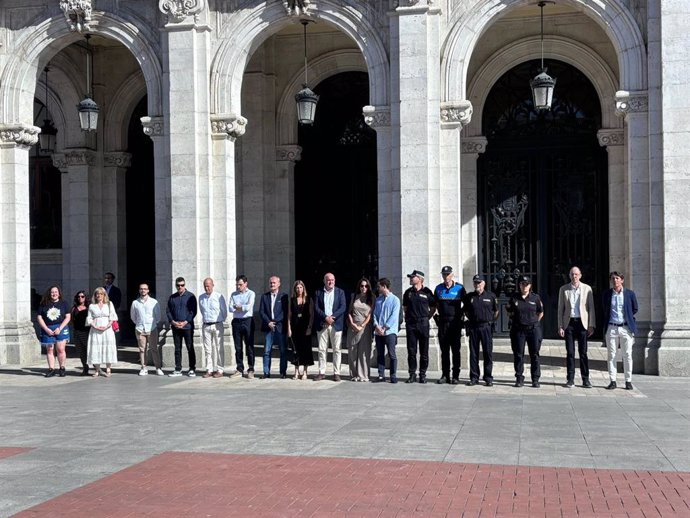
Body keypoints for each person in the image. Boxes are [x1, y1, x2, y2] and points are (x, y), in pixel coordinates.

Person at [557, 266, 596, 388]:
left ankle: (585, 379)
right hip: (569, 324)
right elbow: (560, 309)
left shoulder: (587, 289)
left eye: (576, 274)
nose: (574, 276)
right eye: (572, 274)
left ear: (580, 275)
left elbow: (591, 308)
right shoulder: (564, 289)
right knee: (570, 352)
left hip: (582, 323)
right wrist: (560, 326)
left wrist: (591, 325)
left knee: (583, 352)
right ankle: (570, 379)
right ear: (569, 276)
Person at [602, 271, 638, 390]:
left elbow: (634, 308)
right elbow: (604, 309)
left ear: (622, 280)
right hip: (612, 327)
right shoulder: (607, 294)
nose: (615, 281)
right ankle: (613, 380)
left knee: (627, 354)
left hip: (626, 328)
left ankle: (628, 381)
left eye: (617, 278)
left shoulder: (630, 294)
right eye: (613, 278)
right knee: (611, 355)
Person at [507, 275, 544, 388]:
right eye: (522, 284)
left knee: (535, 355)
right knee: (518, 354)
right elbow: (509, 312)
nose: (524, 286)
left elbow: (540, 312)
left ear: (530, 286)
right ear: (519, 285)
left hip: (533, 329)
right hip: (518, 330)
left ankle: (535, 379)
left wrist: (534, 322)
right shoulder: (514, 298)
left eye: (526, 284)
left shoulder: (535, 298)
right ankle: (519, 377)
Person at [463, 275, 498, 387]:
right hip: (474, 327)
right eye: (475, 283)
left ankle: (488, 377)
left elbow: (496, 311)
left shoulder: (491, 296)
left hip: (486, 327)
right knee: (474, 353)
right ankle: (474, 377)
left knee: (487, 353)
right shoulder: (469, 297)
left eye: (479, 282)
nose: (477, 285)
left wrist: (490, 321)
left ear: (484, 284)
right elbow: (466, 311)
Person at [402, 270, 436, 384]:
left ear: (420, 279)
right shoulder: (408, 293)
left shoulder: (427, 292)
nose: (411, 279)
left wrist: (427, 317)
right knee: (411, 351)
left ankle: (422, 374)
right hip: (411, 324)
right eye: (410, 277)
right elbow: (405, 308)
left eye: (413, 277)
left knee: (424, 351)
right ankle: (412, 374)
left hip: (423, 323)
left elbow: (433, 307)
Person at [433, 266, 465, 384]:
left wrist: (460, 315)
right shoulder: (438, 288)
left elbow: (465, 304)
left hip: (455, 323)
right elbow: (435, 303)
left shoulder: (459, 288)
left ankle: (456, 376)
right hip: (443, 323)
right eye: (444, 274)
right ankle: (445, 375)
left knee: (456, 351)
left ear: (452, 275)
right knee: (444, 350)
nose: (446, 277)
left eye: (448, 274)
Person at [313, 273, 347, 381]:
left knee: (337, 349)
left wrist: (333, 317)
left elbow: (343, 307)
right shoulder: (318, 292)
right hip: (323, 324)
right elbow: (316, 307)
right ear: (324, 281)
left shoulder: (340, 292)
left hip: (335, 325)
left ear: (335, 281)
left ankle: (336, 373)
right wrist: (325, 317)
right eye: (328, 280)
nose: (330, 282)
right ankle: (321, 372)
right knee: (322, 349)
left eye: (332, 280)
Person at [37, 285, 71, 378]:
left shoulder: (64, 303)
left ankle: (62, 368)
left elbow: (68, 317)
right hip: (47, 328)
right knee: (50, 349)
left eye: (56, 292)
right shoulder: (44, 304)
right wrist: (46, 329)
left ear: (59, 294)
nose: (54, 294)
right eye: (52, 292)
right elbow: (39, 317)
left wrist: (60, 328)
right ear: (49, 293)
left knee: (60, 349)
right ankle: (51, 369)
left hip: (61, 328)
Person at [166, 276, 198, 377]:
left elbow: (193, 311)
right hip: (176, 327)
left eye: (182, 285)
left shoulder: (191, 296)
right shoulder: (172, 297)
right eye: (178, 285)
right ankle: (178, 369)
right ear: (176, 286)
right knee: (177, 348)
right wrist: (173, 322)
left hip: (187, 327)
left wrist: (185, 322)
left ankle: (192, 368)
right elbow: (168, 310)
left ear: (185, 285)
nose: (180, 287)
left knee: (190, 347)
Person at [259, 276, 289, 379]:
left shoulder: (283, 296)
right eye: (271, 283)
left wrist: (275, 321)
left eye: (274, 283)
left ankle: (282, 372)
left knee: (282, 350)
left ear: (279, 284)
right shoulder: (264, 296)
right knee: (267, 351)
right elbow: (261, 311)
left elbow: (285, 312)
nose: (272, 284)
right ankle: (266, 372)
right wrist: (268, 322)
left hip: (280, 326)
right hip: (268, 327)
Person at [130, 283, 163, 376]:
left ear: (148, 290)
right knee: (142, 349)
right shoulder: (135, 303)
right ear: (139, 290)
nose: (143, 290)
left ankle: (158, 368)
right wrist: (139, 324)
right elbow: (133, 317)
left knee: (154, 349)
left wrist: (152, 324)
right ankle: (143, 368)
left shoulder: (154, 302)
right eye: (141, 289)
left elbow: (158, 316)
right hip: (140, 329)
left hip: (151, 328)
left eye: (145, 289)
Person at [198, 277, 228, 379]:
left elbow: (224, 311)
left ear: (213, 285)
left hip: (217, 324)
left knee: (219, 348)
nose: (207, 288)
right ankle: (209, 369)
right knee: (208, 349)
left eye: (209, 286)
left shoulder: (219, 296)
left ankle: (220, 369)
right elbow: (202, 311)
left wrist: (219, 320)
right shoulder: (201, 297)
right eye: (205, 286)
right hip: (206, 325)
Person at [373, 278, 400, 383]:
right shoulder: (378, 300)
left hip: (390, 332)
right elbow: (375, 314)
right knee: (380, 353)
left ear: (384, 286)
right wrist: (376, 325)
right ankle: (381, 374)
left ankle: (393, 375)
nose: (378, 288)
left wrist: (385, 327)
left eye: (379, 286)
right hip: (378, 332)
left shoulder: (395, 300)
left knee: (391, 354)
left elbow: (394, 316)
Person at [347, 278, 375, 382]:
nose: (364, 288)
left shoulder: (372, 298)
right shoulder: (354, 296)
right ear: (359, 287)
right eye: (362, 286)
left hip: (365, 327)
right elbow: (349, 311)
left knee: (364, 352)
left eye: (366, 286)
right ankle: (354, 375)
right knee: (353, 351)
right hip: (353, 327)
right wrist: (353, 324)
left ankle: (363, 375)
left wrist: (362, 325)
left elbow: (370, 314)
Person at [86, 287, 118, 378]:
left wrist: (107, 326)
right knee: (96, 348)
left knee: (108, 347)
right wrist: (95, 326)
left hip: (107, 330)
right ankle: (97, 369)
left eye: (100, 294)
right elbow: (89, 318)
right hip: (95, 330)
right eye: (97, 294)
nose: (98, 295)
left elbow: (113, 316)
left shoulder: (109, 304)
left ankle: (108, 368)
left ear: (104, 295)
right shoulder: (92, 306)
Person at [230, 275, 256, 379]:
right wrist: (240, 307)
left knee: (249, 345)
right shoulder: (233, 294)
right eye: (237, 284)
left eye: (240, 284)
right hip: (236, 321)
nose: (238, 286)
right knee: (238, 347)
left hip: (247, 321)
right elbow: (230, 308)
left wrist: (239, 307)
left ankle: (251, 369)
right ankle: (239, 368)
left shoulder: (251, 293)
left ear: (246, 284)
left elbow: (248, 307)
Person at [288, 280, 314, 380]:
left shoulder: (308, 299)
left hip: (305, 328)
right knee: (295, 350)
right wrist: (289, 328)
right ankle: (296, 371)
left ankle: (305, 372)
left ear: (303, 288)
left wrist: (309, 327)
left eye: (301, 287)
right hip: (295, 328)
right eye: (297, 288)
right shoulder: (292, 300)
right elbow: (289, 315)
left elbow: (312, 315)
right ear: (295, 289)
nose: (299, 289)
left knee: (305, 349)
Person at [71, 290, 90, 376]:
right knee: (81, 351)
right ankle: (85, 368)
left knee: (89, 350)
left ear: (85, 297)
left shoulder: (89, 307)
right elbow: (71, 320)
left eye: (82, 296)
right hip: (77, 332)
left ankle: (96, 367)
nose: (80, 298)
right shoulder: (74, 308)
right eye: (78, 297)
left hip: (86, 332)